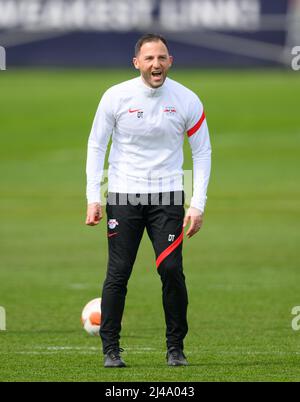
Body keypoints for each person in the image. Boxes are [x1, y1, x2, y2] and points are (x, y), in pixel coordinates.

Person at [85, 33, 211, 368]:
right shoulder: (116, 96)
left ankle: (175, 348)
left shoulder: (187, 99)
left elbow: (202, 152)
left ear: (170, 61)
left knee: (171, 269)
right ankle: (111, 350)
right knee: (119, 272)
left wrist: (197, 203)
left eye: (162, 58)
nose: (156, 64)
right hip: (123, 195)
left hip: (167, 197)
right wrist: (92, 196)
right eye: (149, 58)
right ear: (137, 63)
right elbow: (97, 145)